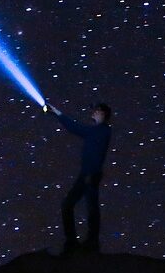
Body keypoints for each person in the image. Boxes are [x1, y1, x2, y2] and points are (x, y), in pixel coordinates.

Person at [43, 101, 113, 254]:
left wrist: (57, 113)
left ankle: (91, 242)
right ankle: (73, 241)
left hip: (91, 174)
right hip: (86, 174)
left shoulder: (102, 131)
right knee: (69, 205)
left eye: (96, 110)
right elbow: (74, 127)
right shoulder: (95, 131)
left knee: (91, 207)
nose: (93, 113)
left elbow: (76, 128)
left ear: (103, 113)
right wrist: (57, 113)